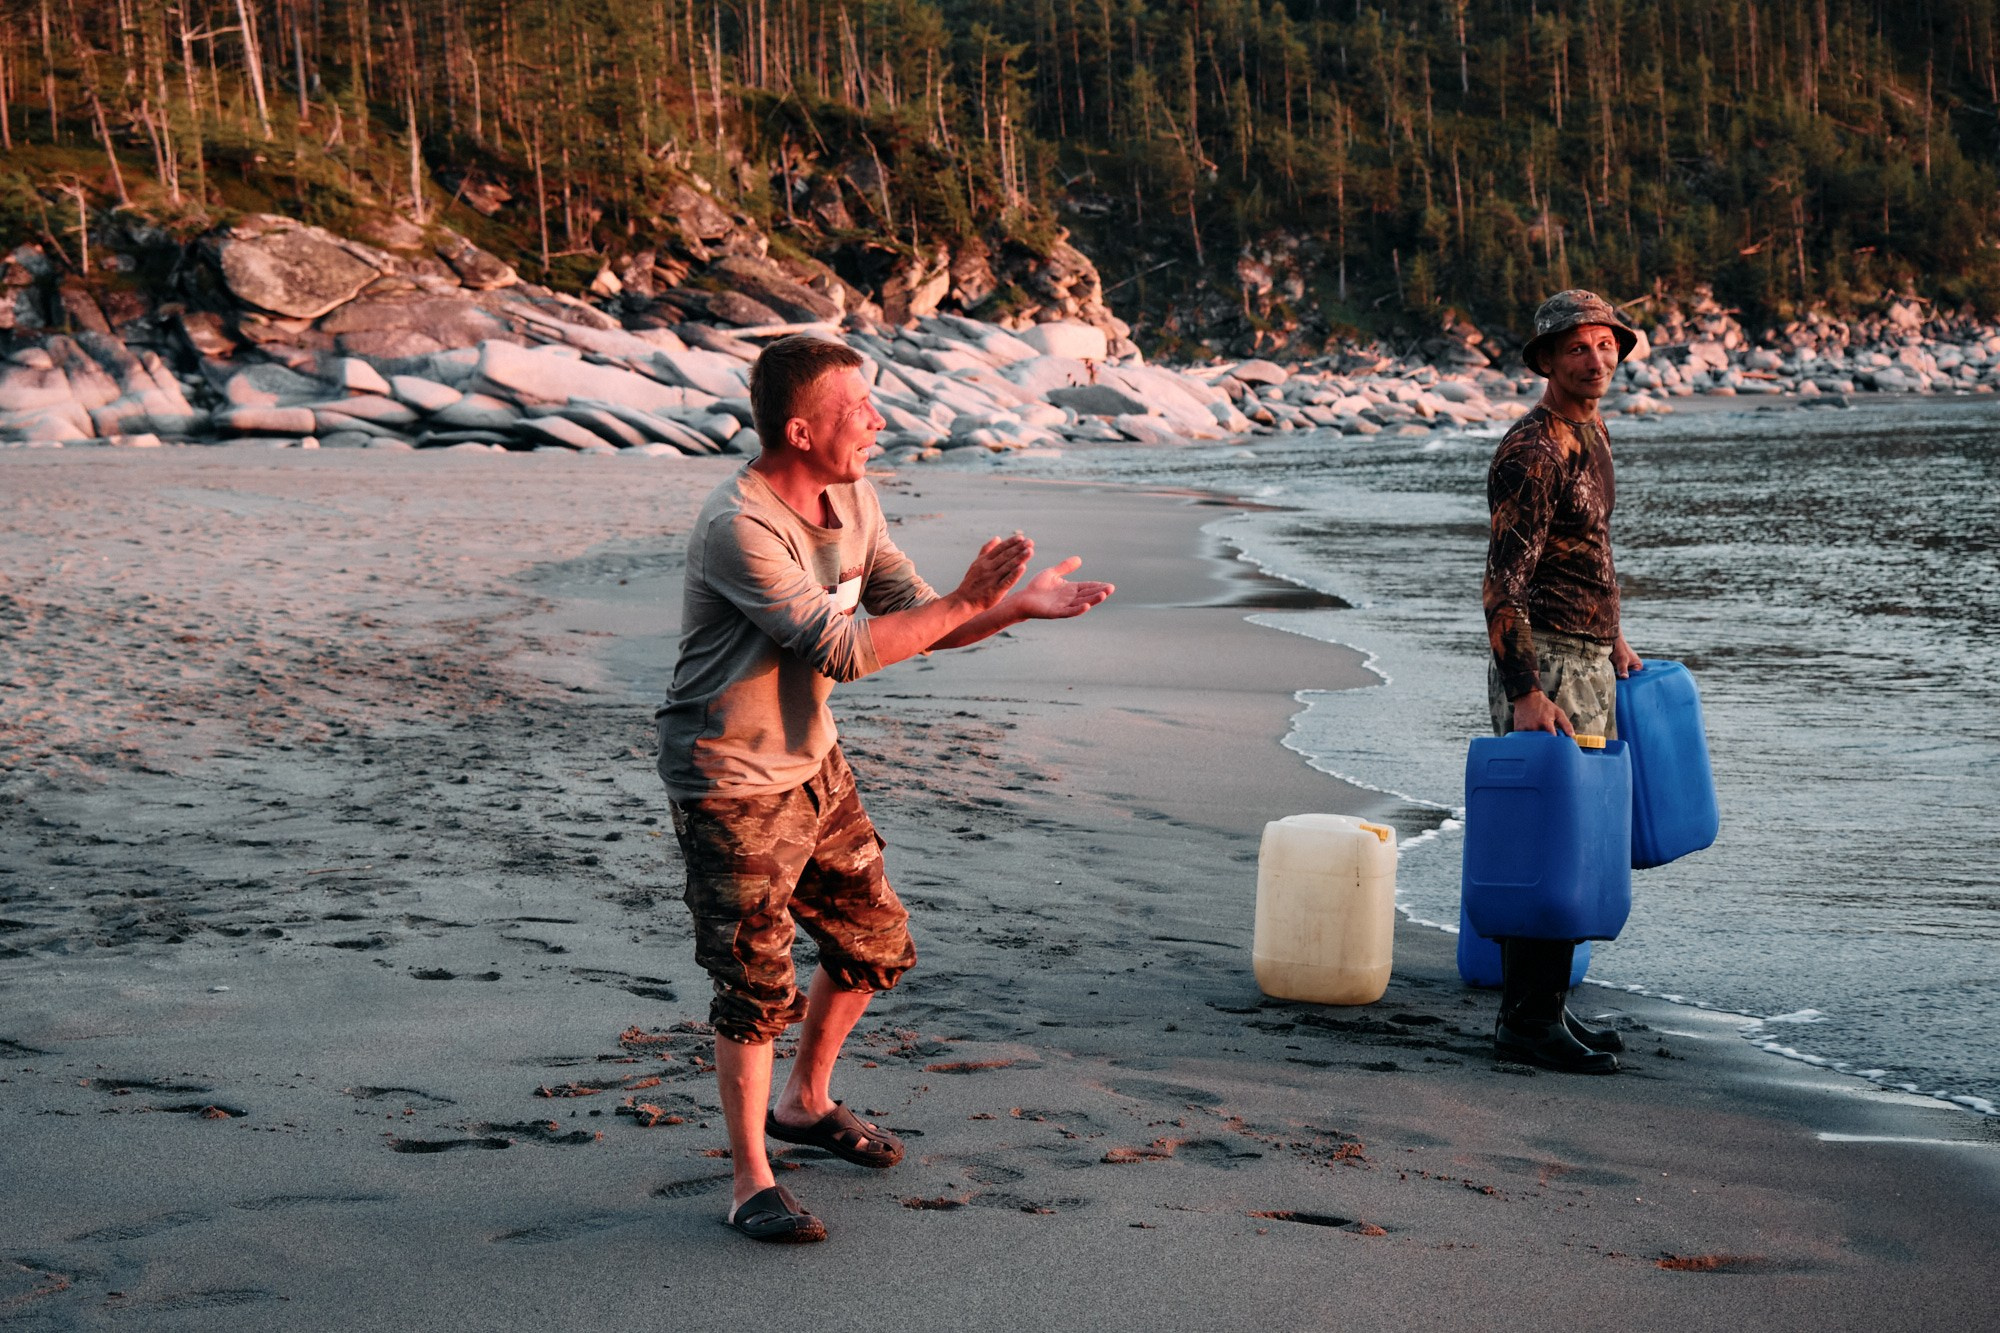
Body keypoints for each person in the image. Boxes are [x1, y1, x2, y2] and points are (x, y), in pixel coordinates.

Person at [654, 333, 1114, 1242]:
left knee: (875, 941)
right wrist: (971, 597)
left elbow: (914, 620)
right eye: (857, 409)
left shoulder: (855, 496)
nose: (878, 420)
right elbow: (846, 649)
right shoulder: (739, 527)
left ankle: (805, 1102)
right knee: (754, 984)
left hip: (812, 761)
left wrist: (1008, 606)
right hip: (732, 780)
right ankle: (750, 1180)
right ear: (798, 429)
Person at [1481, 289, 1645, 1076]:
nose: (1596, 358)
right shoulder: (1533, 450)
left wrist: (1614, 637)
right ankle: (1526, 1019)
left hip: (1586, 654)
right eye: (1577, 347)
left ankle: (1548, 1004)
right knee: (1546, 836)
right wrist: (1525, 691)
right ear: (1546, 360)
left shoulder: (1592, 429)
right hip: (1540, 660)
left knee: (1571, 835)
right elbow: (1503, 584)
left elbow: (1591, 550)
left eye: (1606, 344)